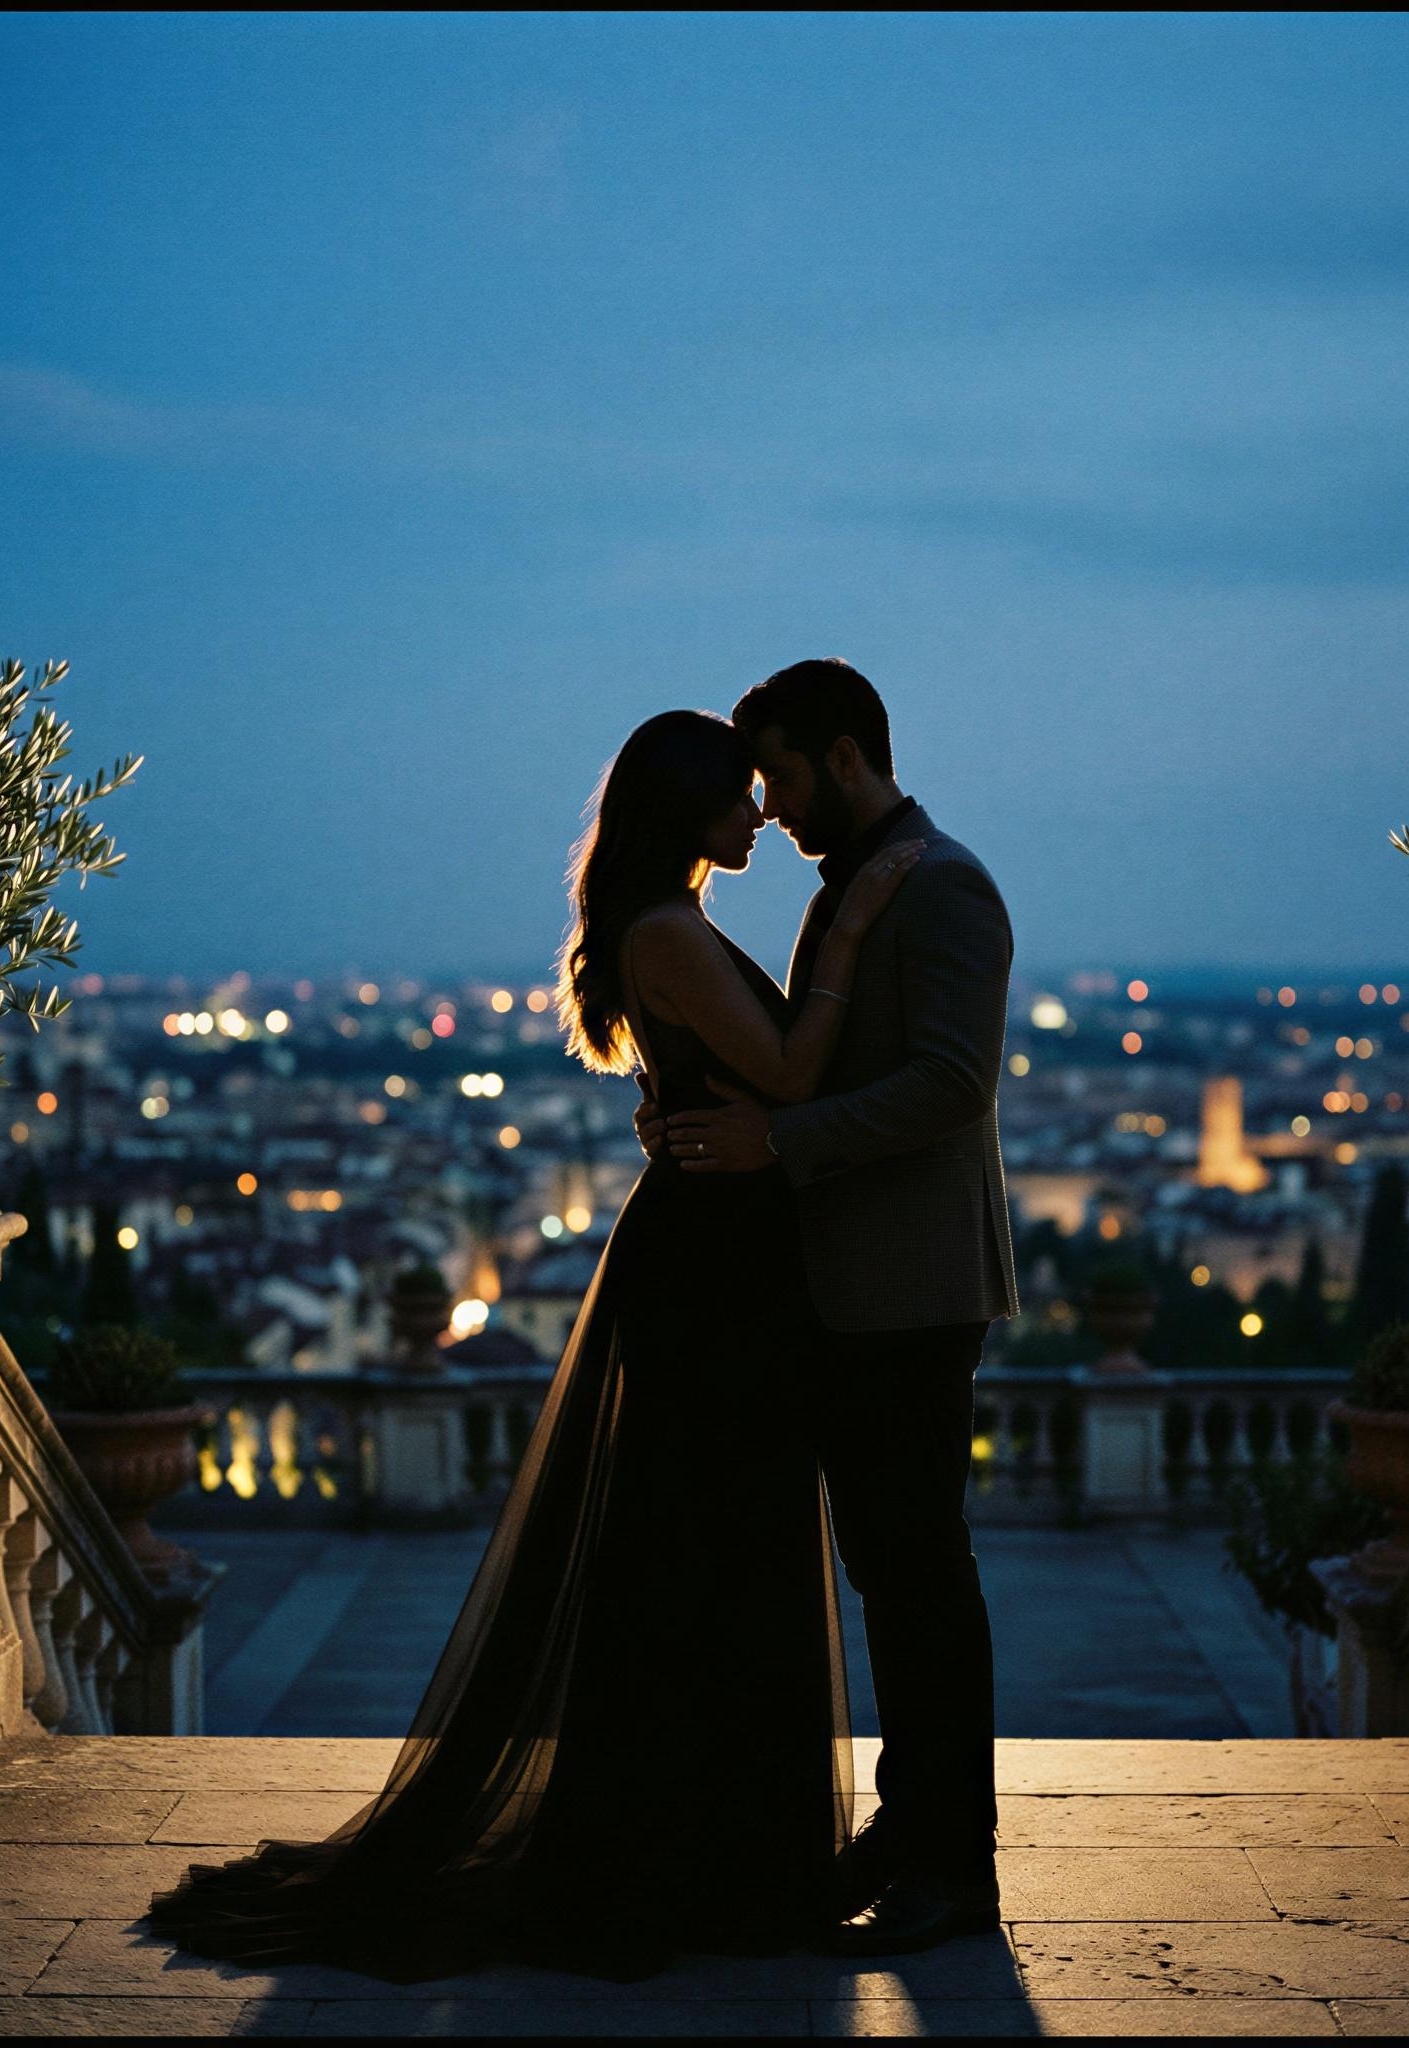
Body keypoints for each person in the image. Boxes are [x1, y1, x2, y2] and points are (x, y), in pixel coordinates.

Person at [144, 706, 921, 1983]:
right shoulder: (670, 930)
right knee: (712, 1542)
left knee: (703, 1542)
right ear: (684, 811)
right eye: (736, 796)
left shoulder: (662, 924)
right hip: (715, 1266)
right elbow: (786, 1067)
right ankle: (703, 1859)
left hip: (717, 1251)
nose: (759, 814)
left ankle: (694, 1849)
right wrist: (849, 925)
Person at [645, 656, 1020, 1957]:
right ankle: (912, 1835)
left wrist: (776, 1150)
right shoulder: (857, 888)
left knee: (919, 1579)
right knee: (895, 1576)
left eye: (784, 775)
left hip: (911, 1292)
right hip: (855, 1291)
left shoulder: (944, 882)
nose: (773, 804)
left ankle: (952, 1868)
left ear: (848, 756)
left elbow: (951, 1087)